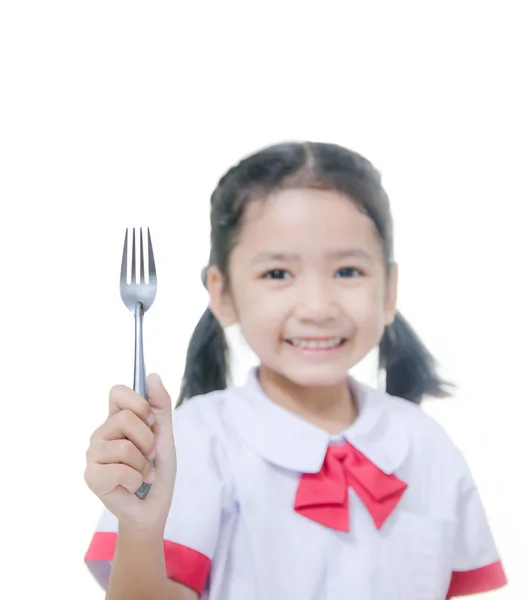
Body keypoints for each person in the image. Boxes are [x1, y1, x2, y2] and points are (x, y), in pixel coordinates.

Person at [83, 141, 508, 600]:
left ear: (390, 291)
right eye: (278, 274)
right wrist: (141, 528)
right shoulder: (194, 444)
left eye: (347, 271)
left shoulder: (427, 446)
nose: (318, 307)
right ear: (222, 294)